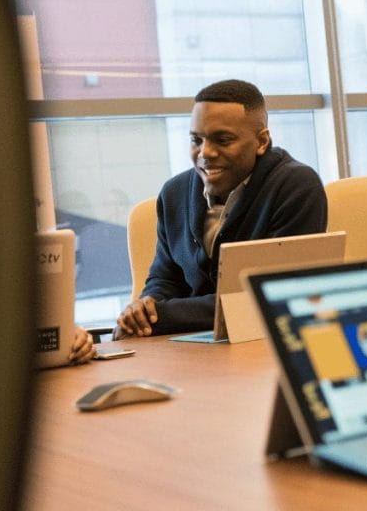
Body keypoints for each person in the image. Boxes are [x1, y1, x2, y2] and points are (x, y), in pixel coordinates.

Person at [115, 79, 327, 338]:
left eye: (223, 140)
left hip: (262, 343)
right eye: (196, 140)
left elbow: (266, 298)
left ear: (261, 141)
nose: (206, 153)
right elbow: (165, 278)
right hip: (189, 345)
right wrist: (144, 308)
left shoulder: (296, 186)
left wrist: (162, 314)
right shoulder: (174, 193)